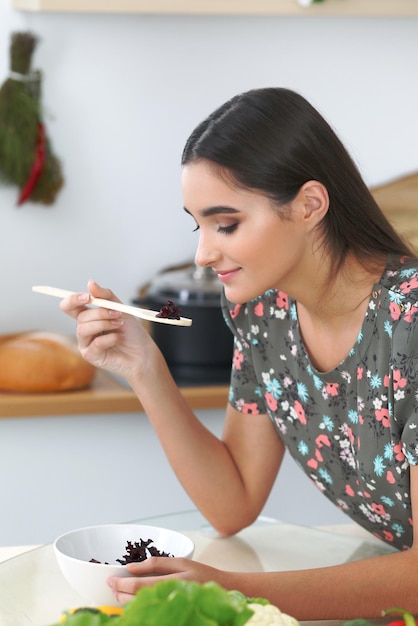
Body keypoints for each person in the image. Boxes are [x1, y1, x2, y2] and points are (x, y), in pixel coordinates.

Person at [60, 87, 418, 620]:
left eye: (226, 224)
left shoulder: (408, 324)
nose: (204, 253)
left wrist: (236, 588)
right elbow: (232, 503)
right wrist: (144, 366)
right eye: (197, 224)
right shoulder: (265, 312)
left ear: (309, 205)